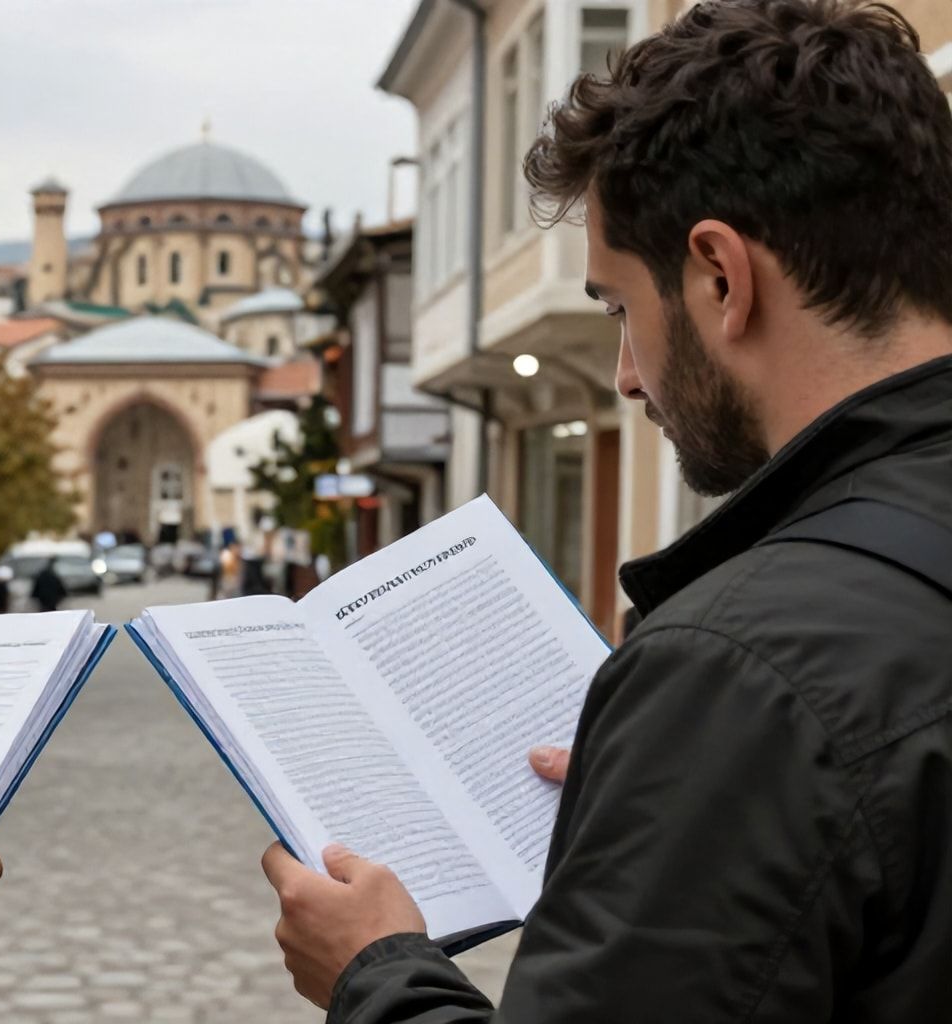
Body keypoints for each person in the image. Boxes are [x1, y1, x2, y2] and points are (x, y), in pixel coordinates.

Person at [262, 3, 952, 1020]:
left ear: (720, 276)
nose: (628, 375)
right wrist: (674, 802)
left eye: (621, 306)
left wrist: (377, 966)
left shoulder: (741, 669)